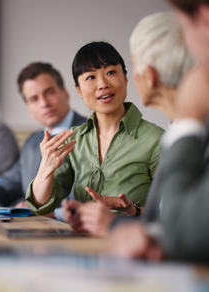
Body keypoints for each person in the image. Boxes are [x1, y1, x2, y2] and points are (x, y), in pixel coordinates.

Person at [63, 12, 209, 237]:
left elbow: (198, 225)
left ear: (149, 76)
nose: (104, 84)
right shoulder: (177, 130)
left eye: (131, 66)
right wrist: (130, 212)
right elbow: (164, 217)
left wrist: (114, 225)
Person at [110, 0, 209, 273]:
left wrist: (190, 118)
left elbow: (184, 227)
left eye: (185, 28)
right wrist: (154, 236)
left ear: (208, 21)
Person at [26, 42, 164, 220]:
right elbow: (41, 206)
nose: (103, 84)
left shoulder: (156, 139)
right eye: (90, 77)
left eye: (111, 72)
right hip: (83, 243)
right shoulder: (74, 139)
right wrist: (46, 168)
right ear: (78, 90)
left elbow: (174, 211)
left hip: (132, 243)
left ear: (126, 78)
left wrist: (133, 210)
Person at [0, 63, 87, 219]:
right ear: (29, 109)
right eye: (34, 99)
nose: (44, 103)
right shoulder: (32, 142)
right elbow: (10, 183)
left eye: (49, 93)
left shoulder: (91, 131)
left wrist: (47, 211)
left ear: (65, 93)